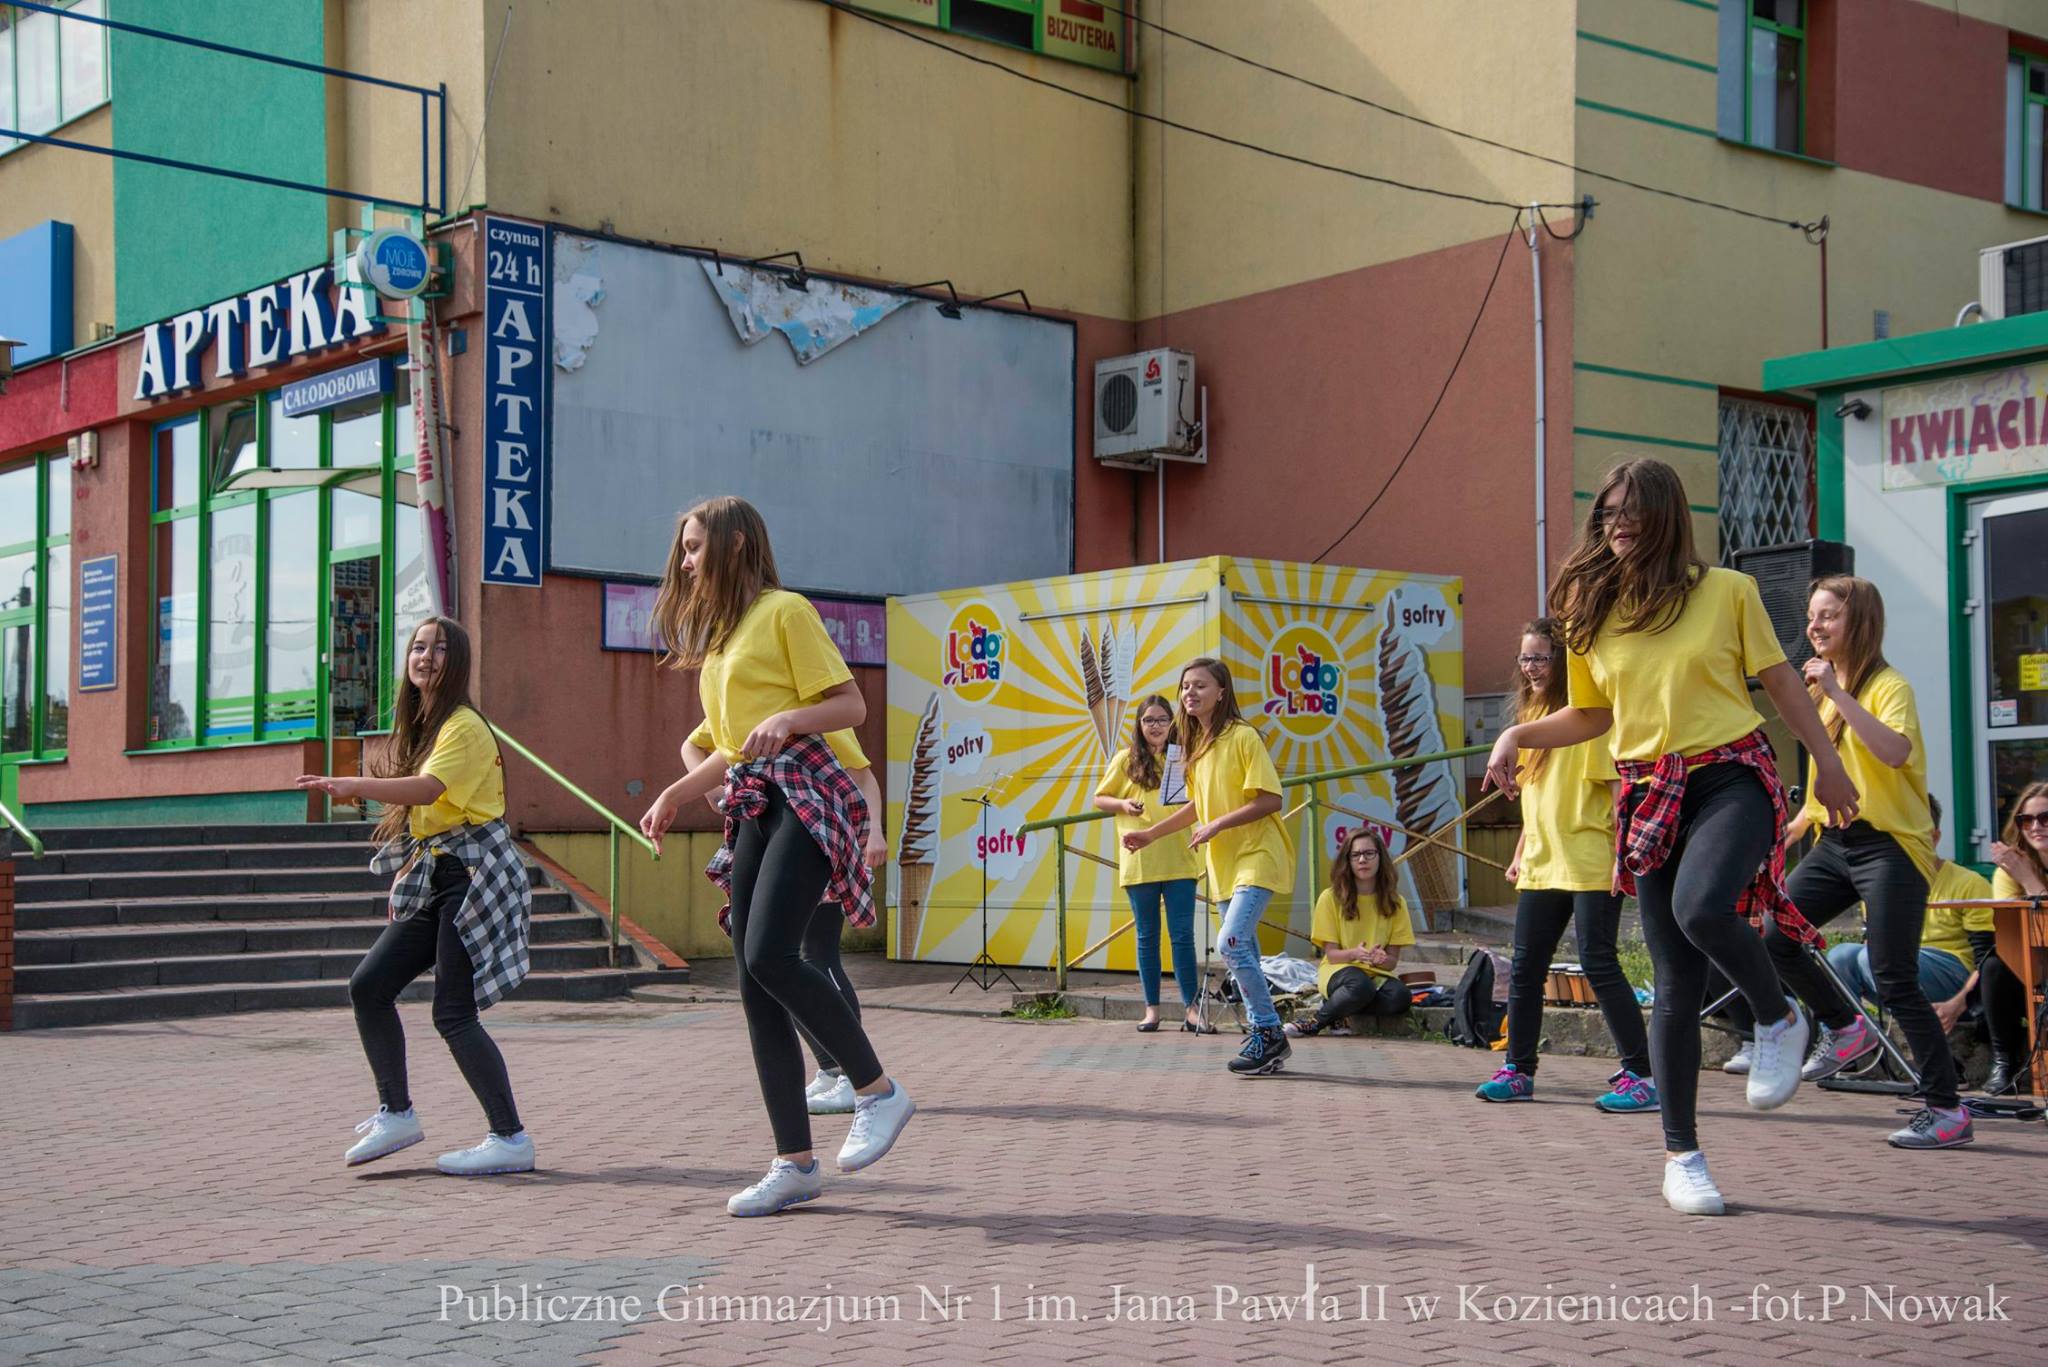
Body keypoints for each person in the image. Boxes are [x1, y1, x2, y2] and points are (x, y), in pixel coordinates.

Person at [1484, 457, 1858, 1217]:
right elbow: (1593, 716)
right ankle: (1682, 1157)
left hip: (1730, 773)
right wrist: (1517, 733)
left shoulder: (1729, 591)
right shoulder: (1591, 612)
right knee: (1675, 981)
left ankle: (1778, 1014)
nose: (1618, 523)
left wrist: (1827, 764)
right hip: (1647, 790)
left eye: (1633, 509)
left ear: (1666, 515)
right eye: (1608, 511)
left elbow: (1782, 682)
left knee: (1700, 908)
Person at [639, 496, 913, 1217]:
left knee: (770, 953)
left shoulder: (786, 611)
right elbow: (732, 750)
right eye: (683, 550)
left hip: (810, 792)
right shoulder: (721, 644)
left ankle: (877, 1090)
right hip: (756, 801)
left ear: (734, 544)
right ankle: (794, 1162)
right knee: (753, 980)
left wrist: (791, 716)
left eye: (695, 547)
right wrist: (673, 793)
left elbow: (850, 705)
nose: (685, 562)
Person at [303, 616, 536, 1177]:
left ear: (458, 662)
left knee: (453, 1012)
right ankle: (397, 1114)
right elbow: (427, 814)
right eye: (419, 647)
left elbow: (430, 791)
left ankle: (510, 1138)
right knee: (369, 986)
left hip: (474, 874)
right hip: (439, 873)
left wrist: (353, 784)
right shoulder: (426, 726)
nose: (426, 656)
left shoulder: (464, 726)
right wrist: (408, 870)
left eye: (440, 649)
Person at [1759, 577, 1969, 1149]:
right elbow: (1823, 780)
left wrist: (1837, 692)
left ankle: (1947, 1110)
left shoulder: (1888, 685)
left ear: (1861, 622)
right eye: (1811, 616)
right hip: (1836, 842)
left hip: (1892, 845)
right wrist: (1788, 833)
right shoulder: (1821, 691)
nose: (1814, 626)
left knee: (1893, 974)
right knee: (1776, 934)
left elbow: (1894, 752)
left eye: (1828, 615)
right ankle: (1845, 1026)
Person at [1474, 617, 1657, 1114]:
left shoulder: (1588, 717)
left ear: (1564, 662)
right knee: (1526, 967)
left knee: (1599, 962)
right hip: (1543, 861)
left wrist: (1625, 855)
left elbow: (1619, 793)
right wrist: (1520, 852)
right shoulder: (1530, 715)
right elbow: (1538, 796)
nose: (1531, 668)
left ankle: (1641, 1073)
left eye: (1542, 657)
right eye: (1525, 658)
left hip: (1592, 858)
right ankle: (1518, 1069)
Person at [1124, 658, 1297, 1075]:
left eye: (1200, 685)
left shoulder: (1243, 736)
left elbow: (1271, 799)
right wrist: (1151, 834)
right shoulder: (1195, 747)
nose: (1190, 693)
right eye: (1185, 686)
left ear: (1222, 692)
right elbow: (1196, 807)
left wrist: (1217, 824)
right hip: (1223, 865)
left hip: (1257, 856)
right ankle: (1265, 1042)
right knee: (1246, 950)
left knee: (1231, 943)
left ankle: (1269, 1031)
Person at [1823, 797, 1995, 1082]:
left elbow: (1988, 957)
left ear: (1934, 837)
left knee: (1872, 958)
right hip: (1896, 970)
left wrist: (1959, 1003)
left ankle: (1934, 1058)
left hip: (1952, 976)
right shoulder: (1880, 885)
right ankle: (1845, 1051)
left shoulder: (1970, 883)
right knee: (1838, 956)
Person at [1093, 695, 1207, 1033]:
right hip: (1140, 860)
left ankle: (1192, 1008)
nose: (1155, 726)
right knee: (1147, 937)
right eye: (1148, 720)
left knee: (1183, 936)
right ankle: (1151, 1010)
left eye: (1161, 719)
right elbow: (1100, 798)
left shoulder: (1185, 757)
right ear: (1139, 725)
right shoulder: (1125, 759)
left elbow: (1201, 800)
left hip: (1180, 858)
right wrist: (1123, 805)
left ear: (1172, 723)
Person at [1286, 828, 1414, 1036]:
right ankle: (1314, 1023)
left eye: (1369, 853)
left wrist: (1380, 959)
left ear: (1380, 857)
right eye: (1355, 855)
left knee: (1400, 997)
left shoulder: (1397, 903)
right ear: (1348, 860)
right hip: (1338, 971)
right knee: (1359, 985)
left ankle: (1342, 1007)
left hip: (1374, 976)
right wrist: (1355, 954)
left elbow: (1392, 962)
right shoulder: (1330, 898)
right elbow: (1332, 955)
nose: (1362, 860)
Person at [1986, 781, 2048, 1095]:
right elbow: (2011, 932)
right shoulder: (2006, 871)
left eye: (2045, 818)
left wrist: (2030, 881)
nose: (2035, 827)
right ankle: (2004, 1061)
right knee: (1994, 966)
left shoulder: (2019, 870)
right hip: (2033, 960)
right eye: (2027, 820)